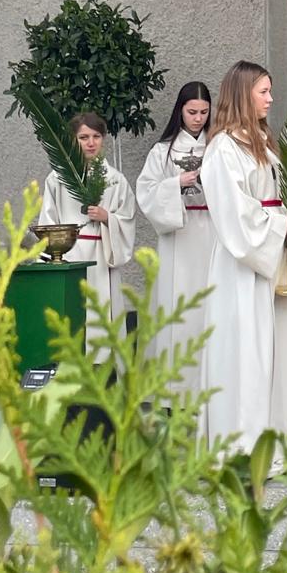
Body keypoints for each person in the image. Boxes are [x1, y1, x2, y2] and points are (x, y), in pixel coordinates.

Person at [200, 61, 287, 455]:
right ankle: (243, 448)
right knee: (247, 354)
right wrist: (280, 225)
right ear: (242, 94)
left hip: (270, 258)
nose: (271, 99)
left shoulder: (262, 142)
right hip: (242, 268)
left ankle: (279, 443)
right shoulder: (223, 149)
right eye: (263, 91)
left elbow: (271, 198)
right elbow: (234, 213)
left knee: (277, 353)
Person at [136, 81, 214, 391]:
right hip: (178, 236)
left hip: (211, 232)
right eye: (192, 112)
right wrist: (176, 184)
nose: (198, 119)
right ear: (180, 110)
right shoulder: (163, 151)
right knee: (177, 306)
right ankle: (174, 390)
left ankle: (208, 387)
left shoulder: (218, 147)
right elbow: (146, 192)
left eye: (204, 112)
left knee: (209, 307)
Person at [38, 111, 137, 322]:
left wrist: (108, 218)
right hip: (70, 256)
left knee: (101, 316)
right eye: (83, 137)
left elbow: (127, 217)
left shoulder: (116, 180)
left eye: (96, 136)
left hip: (102, 256)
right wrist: (52, 259)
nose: (91, 143)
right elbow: (48, 220)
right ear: (73, 140)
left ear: (103, 138)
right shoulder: (57, 178)